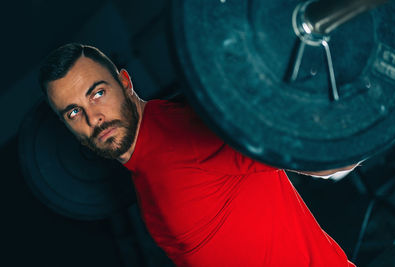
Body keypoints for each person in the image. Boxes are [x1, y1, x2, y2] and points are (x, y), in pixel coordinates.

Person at [39, 43, 357, 266]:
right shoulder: (146, 168)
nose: (93, 117)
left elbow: (333, 156)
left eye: (98, 93)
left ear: (125, 82)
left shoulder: (183, 133)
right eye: (73, 113)